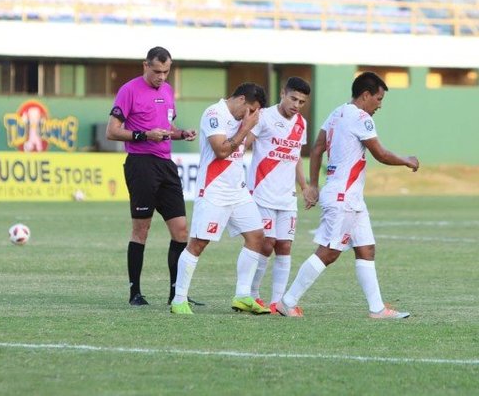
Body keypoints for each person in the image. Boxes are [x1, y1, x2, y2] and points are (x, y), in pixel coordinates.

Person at [276, 71, 419, 319]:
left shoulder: (337, 113)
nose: (380, 105)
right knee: (329, 252)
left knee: (366, 249)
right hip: (343, 196)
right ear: (365, 95)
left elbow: (318, 147)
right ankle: (287, 302)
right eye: (378, 99)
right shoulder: (361, 118)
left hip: (349, 196)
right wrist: (407, 160)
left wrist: (313, 184)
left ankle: (377, 309)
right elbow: (380, 154)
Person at [106, 46, 199, 306]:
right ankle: (135, 292)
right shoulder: (129, 90)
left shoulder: (168, 91)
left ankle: (176, 294)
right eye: (157, 71)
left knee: (181, 230)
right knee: (141, 230)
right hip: (141, 164)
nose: (161, 76)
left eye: (166, 71)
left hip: (165, 164)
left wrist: (181, 133)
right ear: (145, 65)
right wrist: (144, 135)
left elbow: (166, 127)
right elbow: (112, 131)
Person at [170, 82, 270, 315]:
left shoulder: (244, 118)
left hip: (238, 190)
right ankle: (179, 300)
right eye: (253, 109)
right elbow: (222, 150)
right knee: (198, 244)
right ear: (242, 100)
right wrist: (245, 127)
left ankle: (243, 296)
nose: (254, 116)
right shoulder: (214, 113)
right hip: (214, 191)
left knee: (257, 237)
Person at [246, 77, 313, 314]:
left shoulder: (301, 124)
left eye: (302, 101)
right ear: (283, 93)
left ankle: (277, 302)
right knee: (266, 244)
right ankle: (252, 294)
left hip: (287, 196)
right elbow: (246, 143)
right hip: (262, 192)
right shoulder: (264, 116)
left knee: (284, 246)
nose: (296, 104)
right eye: (293, 98)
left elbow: (295, 158)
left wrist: (304, 187)